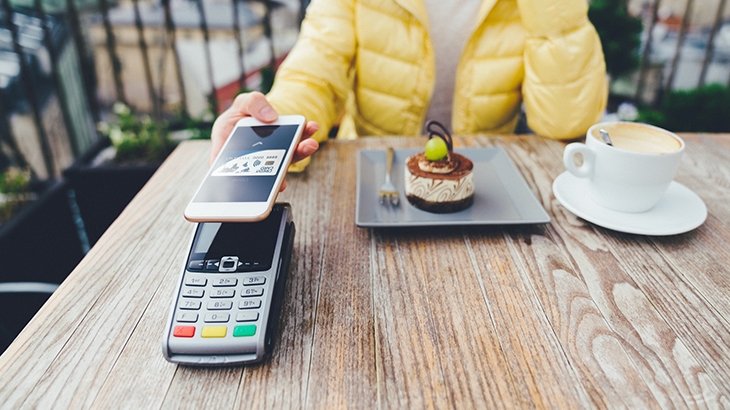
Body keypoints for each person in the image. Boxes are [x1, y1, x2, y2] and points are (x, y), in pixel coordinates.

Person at [211, 0, 608, 171]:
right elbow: (315, 70)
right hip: (372, 174)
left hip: (485, 184)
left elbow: (565, 122)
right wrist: (270, 132)